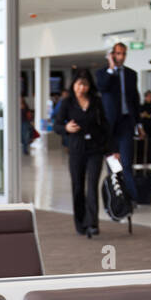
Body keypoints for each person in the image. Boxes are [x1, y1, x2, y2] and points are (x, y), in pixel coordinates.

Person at [55, 69, 109, 237]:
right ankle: (80, 223)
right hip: (76, 149)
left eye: (85, 84)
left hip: (95, 149)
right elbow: (56, 125)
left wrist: (111, 149)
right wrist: (66, 128)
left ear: (89, 85)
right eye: (79, 84)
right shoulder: (67, 103)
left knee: (92, 186)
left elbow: (105, 126)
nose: (81, 88)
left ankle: (92, 223)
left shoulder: (97, 102)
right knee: (78, 187)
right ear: (73, 84)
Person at [96, 42, 143, 199]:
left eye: (124, 54)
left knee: (127, 162)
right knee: (113, 164)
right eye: (118, 54)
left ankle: (132, 198)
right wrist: (111, 67)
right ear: (112, 54)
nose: (121, 57)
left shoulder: (131, 74)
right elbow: (102, 87)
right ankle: (117, 197)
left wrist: (139, 124)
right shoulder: (103, 73)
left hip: (126, 123)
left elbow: (135, 100)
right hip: (109, 126)